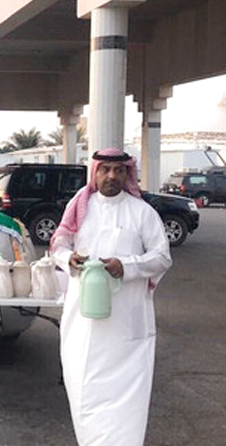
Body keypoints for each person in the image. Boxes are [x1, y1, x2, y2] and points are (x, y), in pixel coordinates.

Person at [50, 147, 172, 445]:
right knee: (84, 390)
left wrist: (127, 266)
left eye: (118, 170)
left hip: (126, 328)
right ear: (95, 173)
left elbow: (162, 258)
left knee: (126, 403)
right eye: (105, 169)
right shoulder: (80, 206)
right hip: (84, 326)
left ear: (127, 173)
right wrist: (68, 259)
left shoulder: (142, 212)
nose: (112, 176)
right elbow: (58, 246)